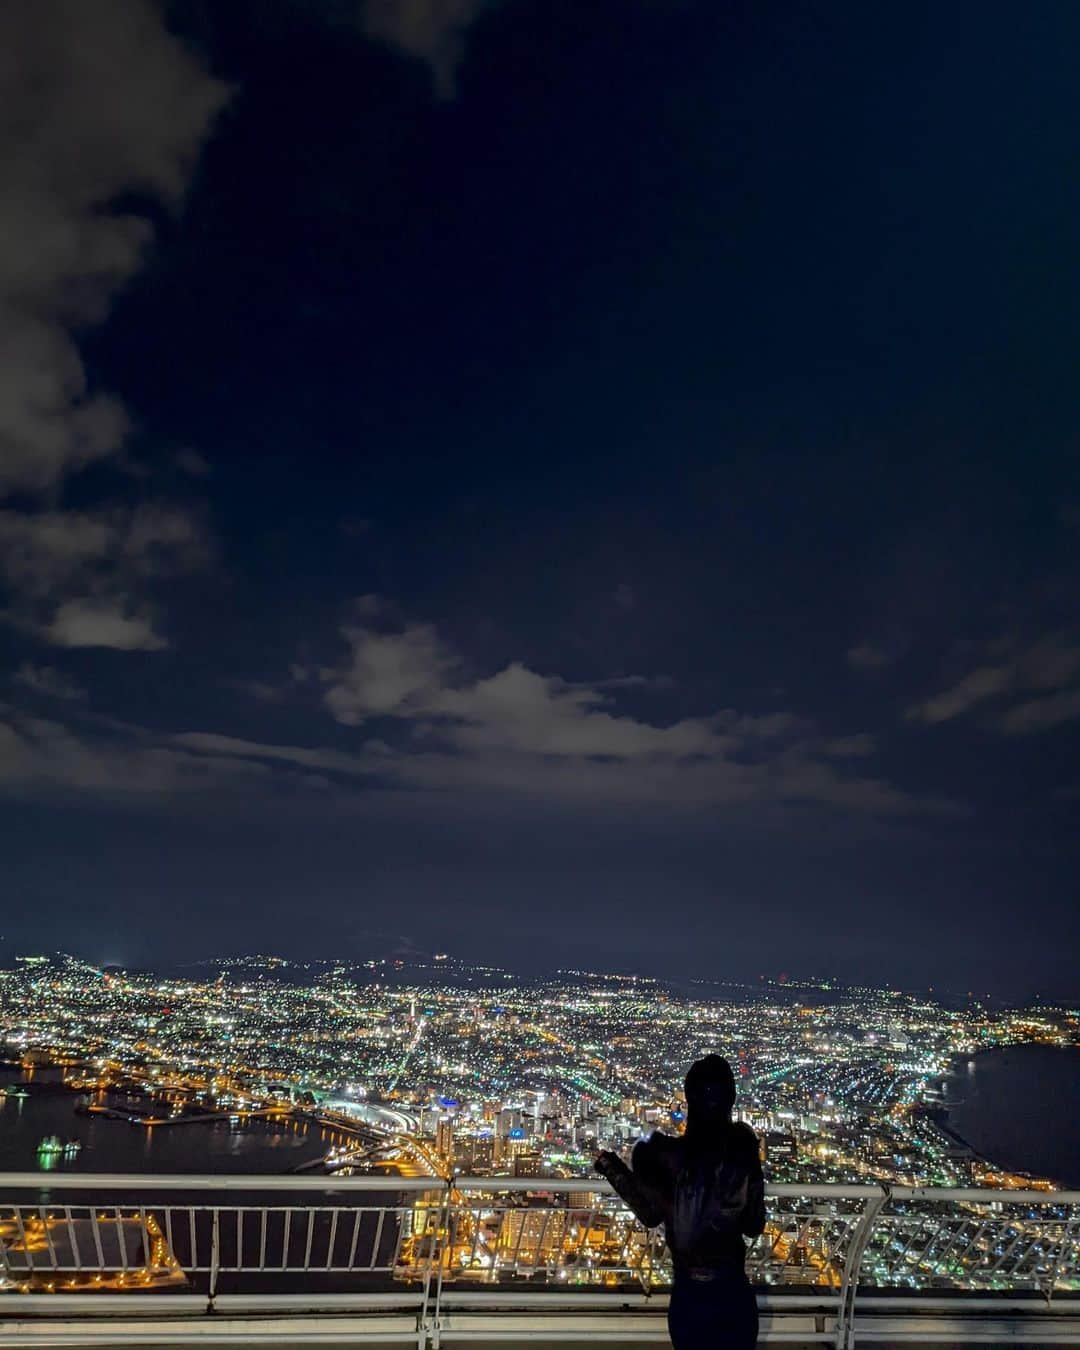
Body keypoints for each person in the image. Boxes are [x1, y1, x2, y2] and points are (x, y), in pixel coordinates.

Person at [596, 1054, 765, 1349]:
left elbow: (649, 1214)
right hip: (733, 1293)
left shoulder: (665, 1156)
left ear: (689, 1098)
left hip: (690, 1297)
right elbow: (753, 1225)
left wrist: (611, 1168)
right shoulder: (743, 1151)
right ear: (731, 1100)